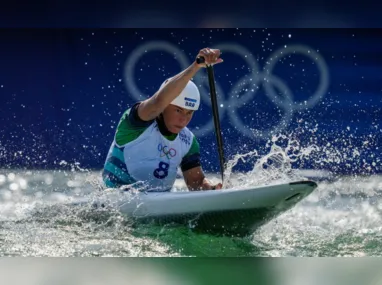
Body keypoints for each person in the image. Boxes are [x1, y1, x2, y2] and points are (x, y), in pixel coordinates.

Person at [102, 47, 224, 192]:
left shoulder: (188, 141)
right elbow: (157, 102)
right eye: (178, 110)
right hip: (114, 203)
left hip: (158, 206)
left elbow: (195, 182)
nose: (183, 119)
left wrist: (210, 188)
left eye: (189, 113)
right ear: (165, 107)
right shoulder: (136, 123)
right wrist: (196, 66)